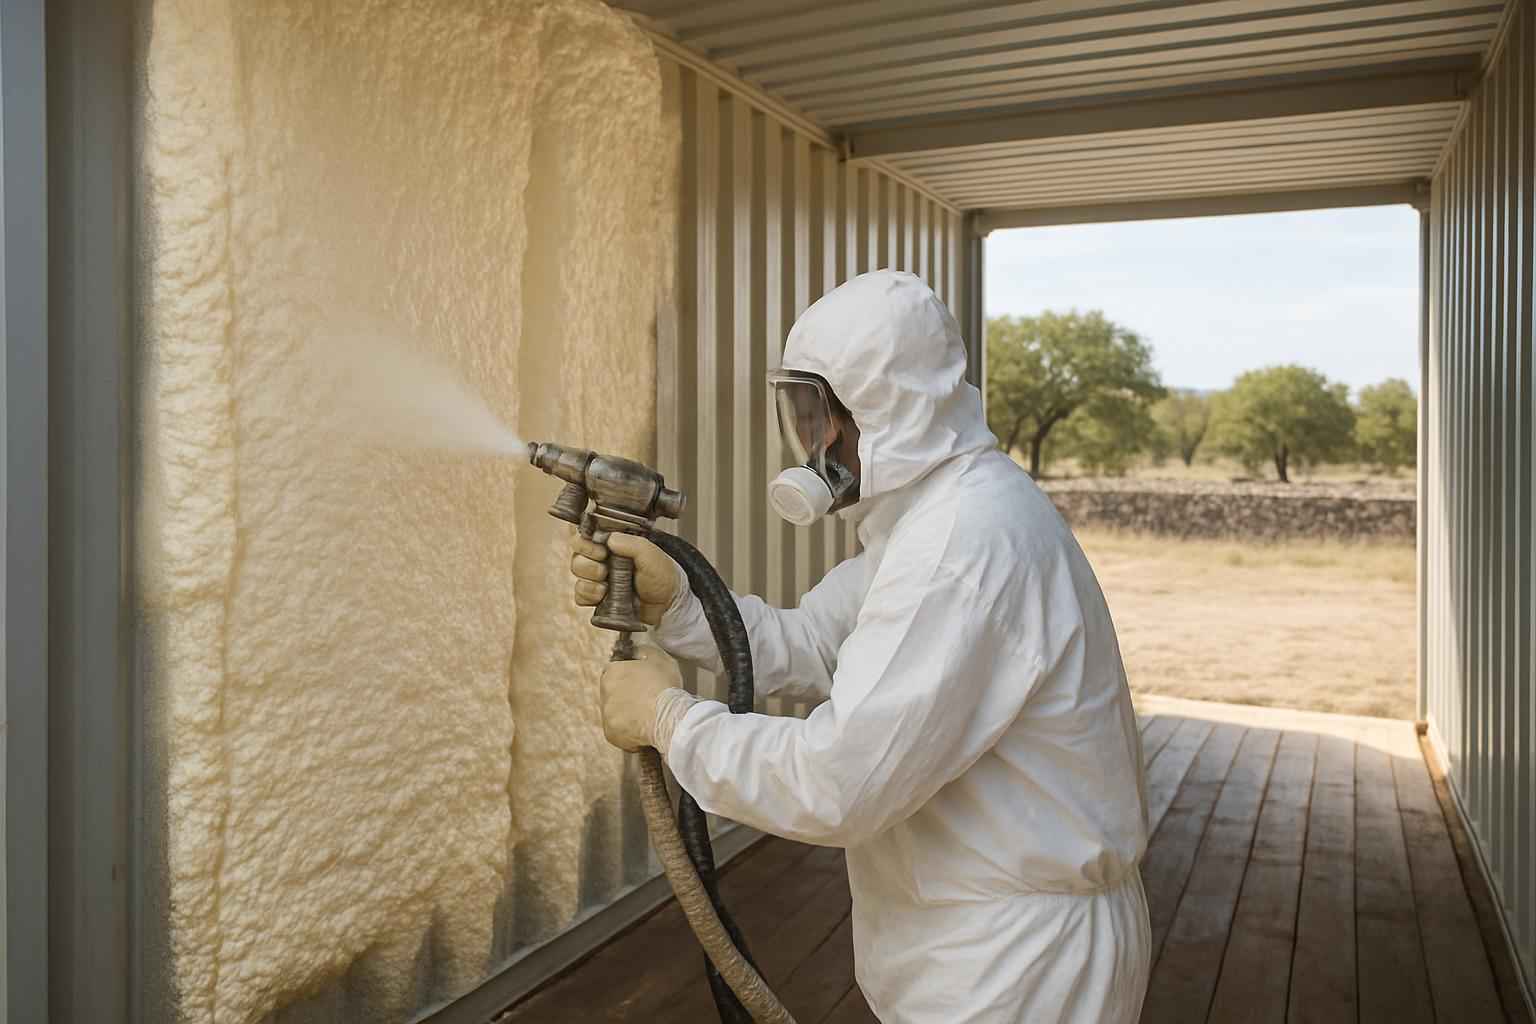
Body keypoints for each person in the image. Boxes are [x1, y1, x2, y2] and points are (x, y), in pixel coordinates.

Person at [569, 269, 1151, 1023]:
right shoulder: (932, 521)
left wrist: (668, 720)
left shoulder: (963, 544)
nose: (813, 442)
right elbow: (810, 641)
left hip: (1016, 970)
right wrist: (676, 602)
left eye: (819, 415)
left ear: (884, 409)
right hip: (968, 939)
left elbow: (840, 782)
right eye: (801, 415)